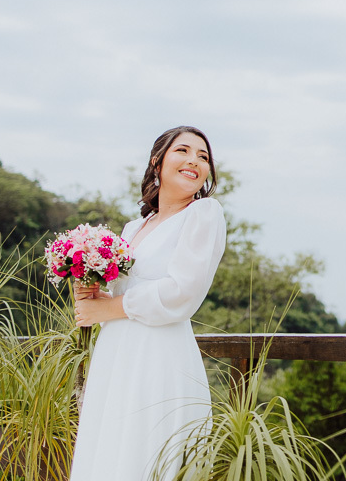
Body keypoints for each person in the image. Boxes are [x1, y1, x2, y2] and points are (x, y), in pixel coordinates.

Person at [68, 126, 227, 481]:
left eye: (203, 157)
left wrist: (110, 309)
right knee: (111, 448)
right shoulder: (132, 228)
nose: (194, 161)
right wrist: (90, 289)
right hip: (116, 353)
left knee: (147, 450)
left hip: (159, 352)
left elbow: (183, 292)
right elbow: (123, 287)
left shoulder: (204, 214)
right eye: (182, 151)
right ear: (157, 162)